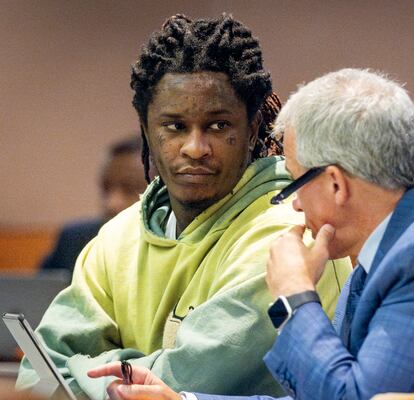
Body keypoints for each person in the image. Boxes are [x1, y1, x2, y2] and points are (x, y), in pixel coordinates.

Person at [89, 68, 414, 399]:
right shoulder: (387, 253)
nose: (295, 203)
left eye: (295, 182)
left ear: (336, 183)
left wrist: (296, 298)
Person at [17, 15, 350, 399]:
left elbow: (180, 386)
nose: (195, 148)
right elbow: (38, 373)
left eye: (218, 125)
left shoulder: (288, 231)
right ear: (147, 131)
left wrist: (79, 369)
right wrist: (116, 372)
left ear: (253, 129)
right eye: (175, 126)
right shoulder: (117, 238)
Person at [40, 135, 149, 273]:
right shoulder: (74, 240)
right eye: (106, 188)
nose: (111, 203)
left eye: (129, 188)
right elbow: (38, 291)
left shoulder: (179, 251)